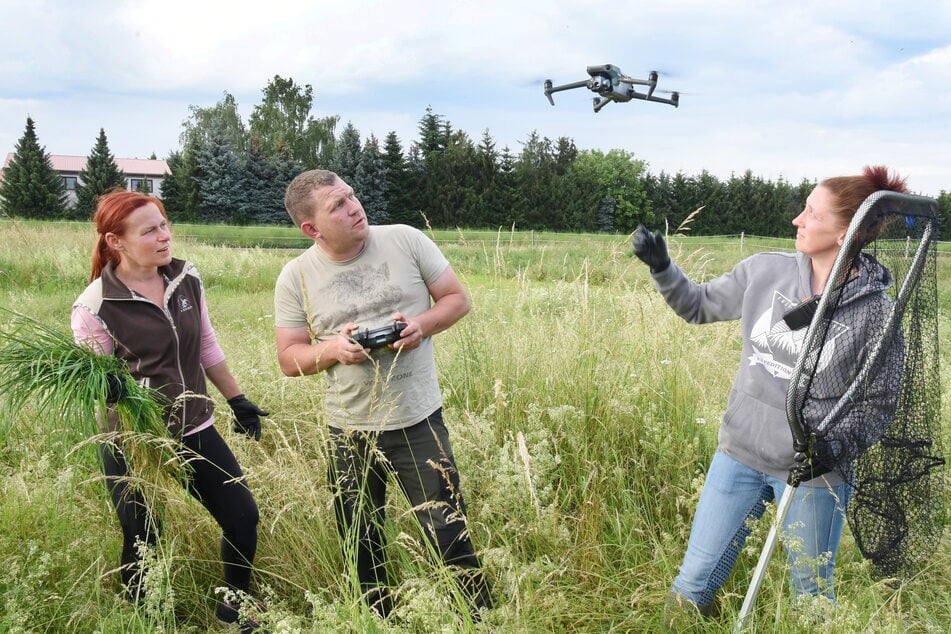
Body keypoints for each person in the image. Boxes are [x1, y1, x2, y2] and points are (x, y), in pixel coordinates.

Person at [631, 166, 907, 622]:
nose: (797, 220)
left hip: (815, 475)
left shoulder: (876, 312)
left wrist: (832, 448)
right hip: (738, 455)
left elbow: (878, 405)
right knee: (692, 584)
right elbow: (698, 306)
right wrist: (662, 268)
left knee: (811, 598)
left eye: (811, 213)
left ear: (845, 233)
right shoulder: (765, 270)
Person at [275, 169, 492, 619]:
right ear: (311, 228)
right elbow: (288, 359)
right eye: (338, 205)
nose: (354, 207)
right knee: (361, 539)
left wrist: (421, 326)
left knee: (446, 530)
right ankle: (378, 620)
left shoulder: (406, 240)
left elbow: (456, 299)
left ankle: (479, 620)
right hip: (348, 428)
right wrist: (334, 349)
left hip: (417, 418)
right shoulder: (295, 277)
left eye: (351, 196)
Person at [71, 190, 269, 632]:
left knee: (242, 516)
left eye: (164, 223)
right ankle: (149, 621)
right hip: (131, 440)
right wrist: (111, 385)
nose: (165, 236)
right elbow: (94, 385)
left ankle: (234, 613)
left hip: (194, 426)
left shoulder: (184, 278)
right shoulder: (95, 305)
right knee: (144, 537)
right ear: (115, 241)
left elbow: (206, 345)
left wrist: (237, 400)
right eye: (150, 230)